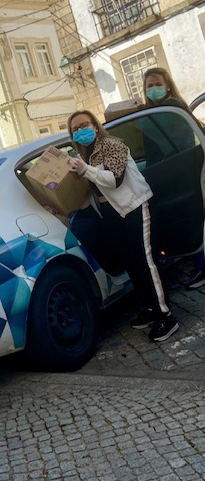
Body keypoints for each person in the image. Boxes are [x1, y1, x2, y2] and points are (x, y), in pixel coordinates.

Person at [67, 110, 179, 342]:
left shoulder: (111, 144)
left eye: (84, 125)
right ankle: (150, 308)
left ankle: (166, 316)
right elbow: (95, 192)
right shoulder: (85, 156)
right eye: (75, 129)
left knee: (145, 261)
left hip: (136, 206)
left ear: (95, 126)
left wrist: (86, 170)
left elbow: (114, 179)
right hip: (114, 214)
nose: (80, 131)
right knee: (132, 263)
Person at [142, 67, 205, 290]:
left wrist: (137, 117)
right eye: (149, 86)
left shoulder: (171, 109)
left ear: (167, 85)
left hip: (183, 169)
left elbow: (170, 139)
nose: (153, 89)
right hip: (178, 170)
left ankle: (202, 265)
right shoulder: (157, 112)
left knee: (191, 219)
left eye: (157, 84)